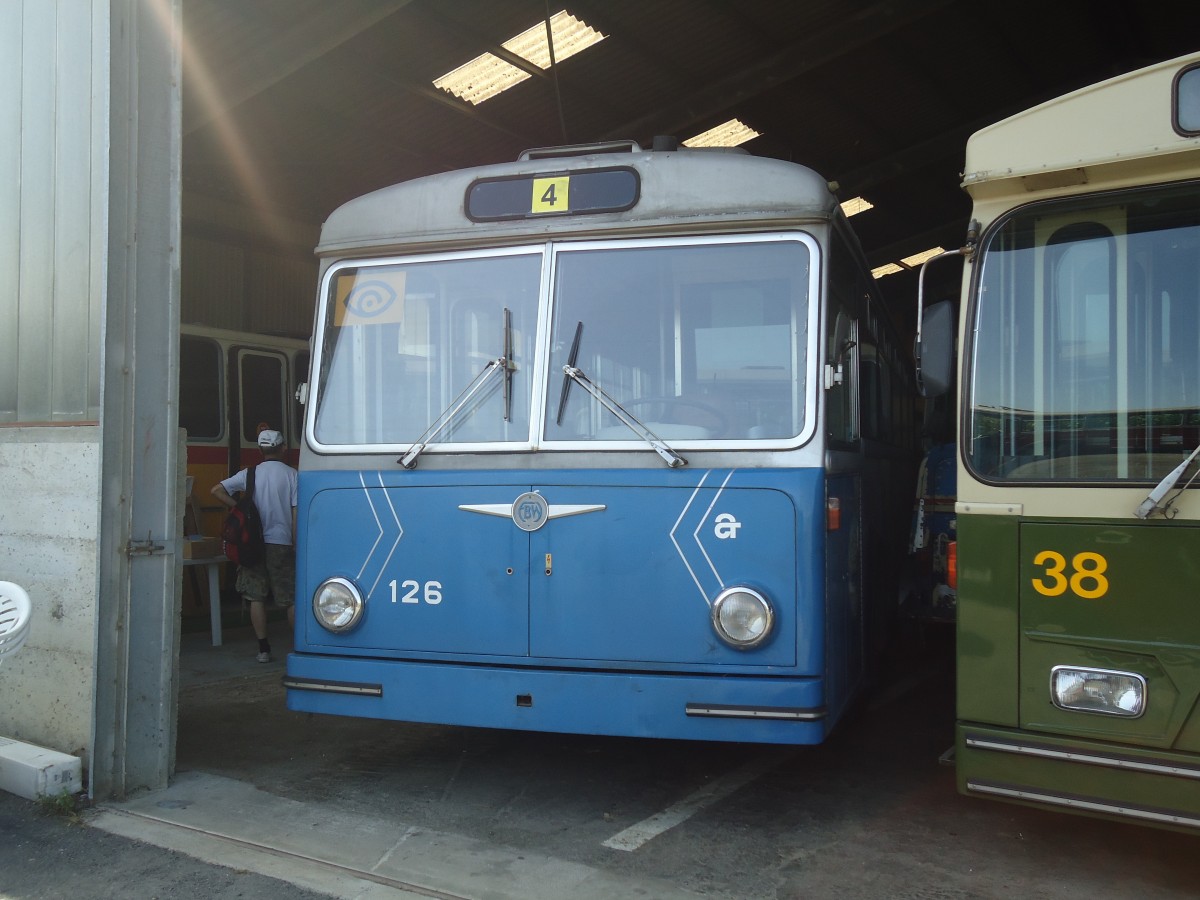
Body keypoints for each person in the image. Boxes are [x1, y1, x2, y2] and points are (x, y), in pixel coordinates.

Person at [211, 429, 298, 663]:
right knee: (290, 599)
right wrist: (295, 543)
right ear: (283, 448)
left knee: (256, 597)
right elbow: (295, 513)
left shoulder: (248, 474)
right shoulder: (292, 475)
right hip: (281, 543)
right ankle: (299, 648)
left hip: (252, 544)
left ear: (259, 450)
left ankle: (263, 649)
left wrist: (239, 507)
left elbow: (216, 490)